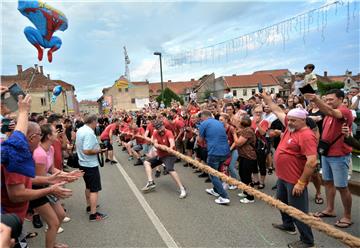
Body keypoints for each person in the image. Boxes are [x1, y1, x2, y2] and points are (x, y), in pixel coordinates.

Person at [262, 92, 317, 248]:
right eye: (289, 119)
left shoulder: (306, 135)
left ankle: (307, 241)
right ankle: (288, 225)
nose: (289, 122)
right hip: (283, 177)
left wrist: (301, 182)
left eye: (293, 120)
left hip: (295, 180)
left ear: (303, 120)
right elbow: (277, 110)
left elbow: (312, 162)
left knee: (299, 211)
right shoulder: (291, 127)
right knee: (281, 202)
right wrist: (268, 100)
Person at [304, 89, 353, 228]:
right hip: (326, 154)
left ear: (341, 99)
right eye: (326, 100)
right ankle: (330, 209)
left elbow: (331, 112)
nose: (328, 102)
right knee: (328, 183)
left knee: (342, 187)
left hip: (339, 156)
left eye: (331, 99)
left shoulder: (345, 111)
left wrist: (315, 99)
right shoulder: (328, 114)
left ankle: (347, 216)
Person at [141, 121, 187, 199]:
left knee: (170, 169)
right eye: (158, 128)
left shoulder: (168, 133)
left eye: (161, 127)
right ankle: (151, 182)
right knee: (146, 162)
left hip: (170, 155)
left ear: (163, 126)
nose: (160, 130)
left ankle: (182, 188)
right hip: (160, 155)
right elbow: (155, 143)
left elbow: (172, 143)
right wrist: (157, 145)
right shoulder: (155, 133)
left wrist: (170, 148)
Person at [76, 115, 108, 221]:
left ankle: (89, 206)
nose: (97, 124)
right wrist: (100, 150)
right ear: (93, 121)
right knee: (94, 189)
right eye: (96, 122)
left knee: (88, 186)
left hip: (82, 162)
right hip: (89, 164)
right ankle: (93, 214)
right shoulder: (89, 132)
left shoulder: (81, 129)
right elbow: (87, 150)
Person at [198, 110, 231, 205]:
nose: (200, 120)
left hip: (214, 151)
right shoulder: (218, 122)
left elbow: (200, 140)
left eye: (201, 118)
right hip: (225, 151)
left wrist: (199, 137)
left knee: (213, 174)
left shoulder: (203, 123)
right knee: (218, 172)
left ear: (203, 117)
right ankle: (216, 190)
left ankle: (224, 196)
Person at [232, 115, 257, 203]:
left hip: (249, 156)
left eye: (239, 121)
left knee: (247, 176)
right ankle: (245, 191)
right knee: (242, 173)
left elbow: (238, 143)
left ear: (243, 123)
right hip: (243, 156)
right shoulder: (244, 130)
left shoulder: (248, 131)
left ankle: (250, 197)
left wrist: (234, 134)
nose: (238, 123)